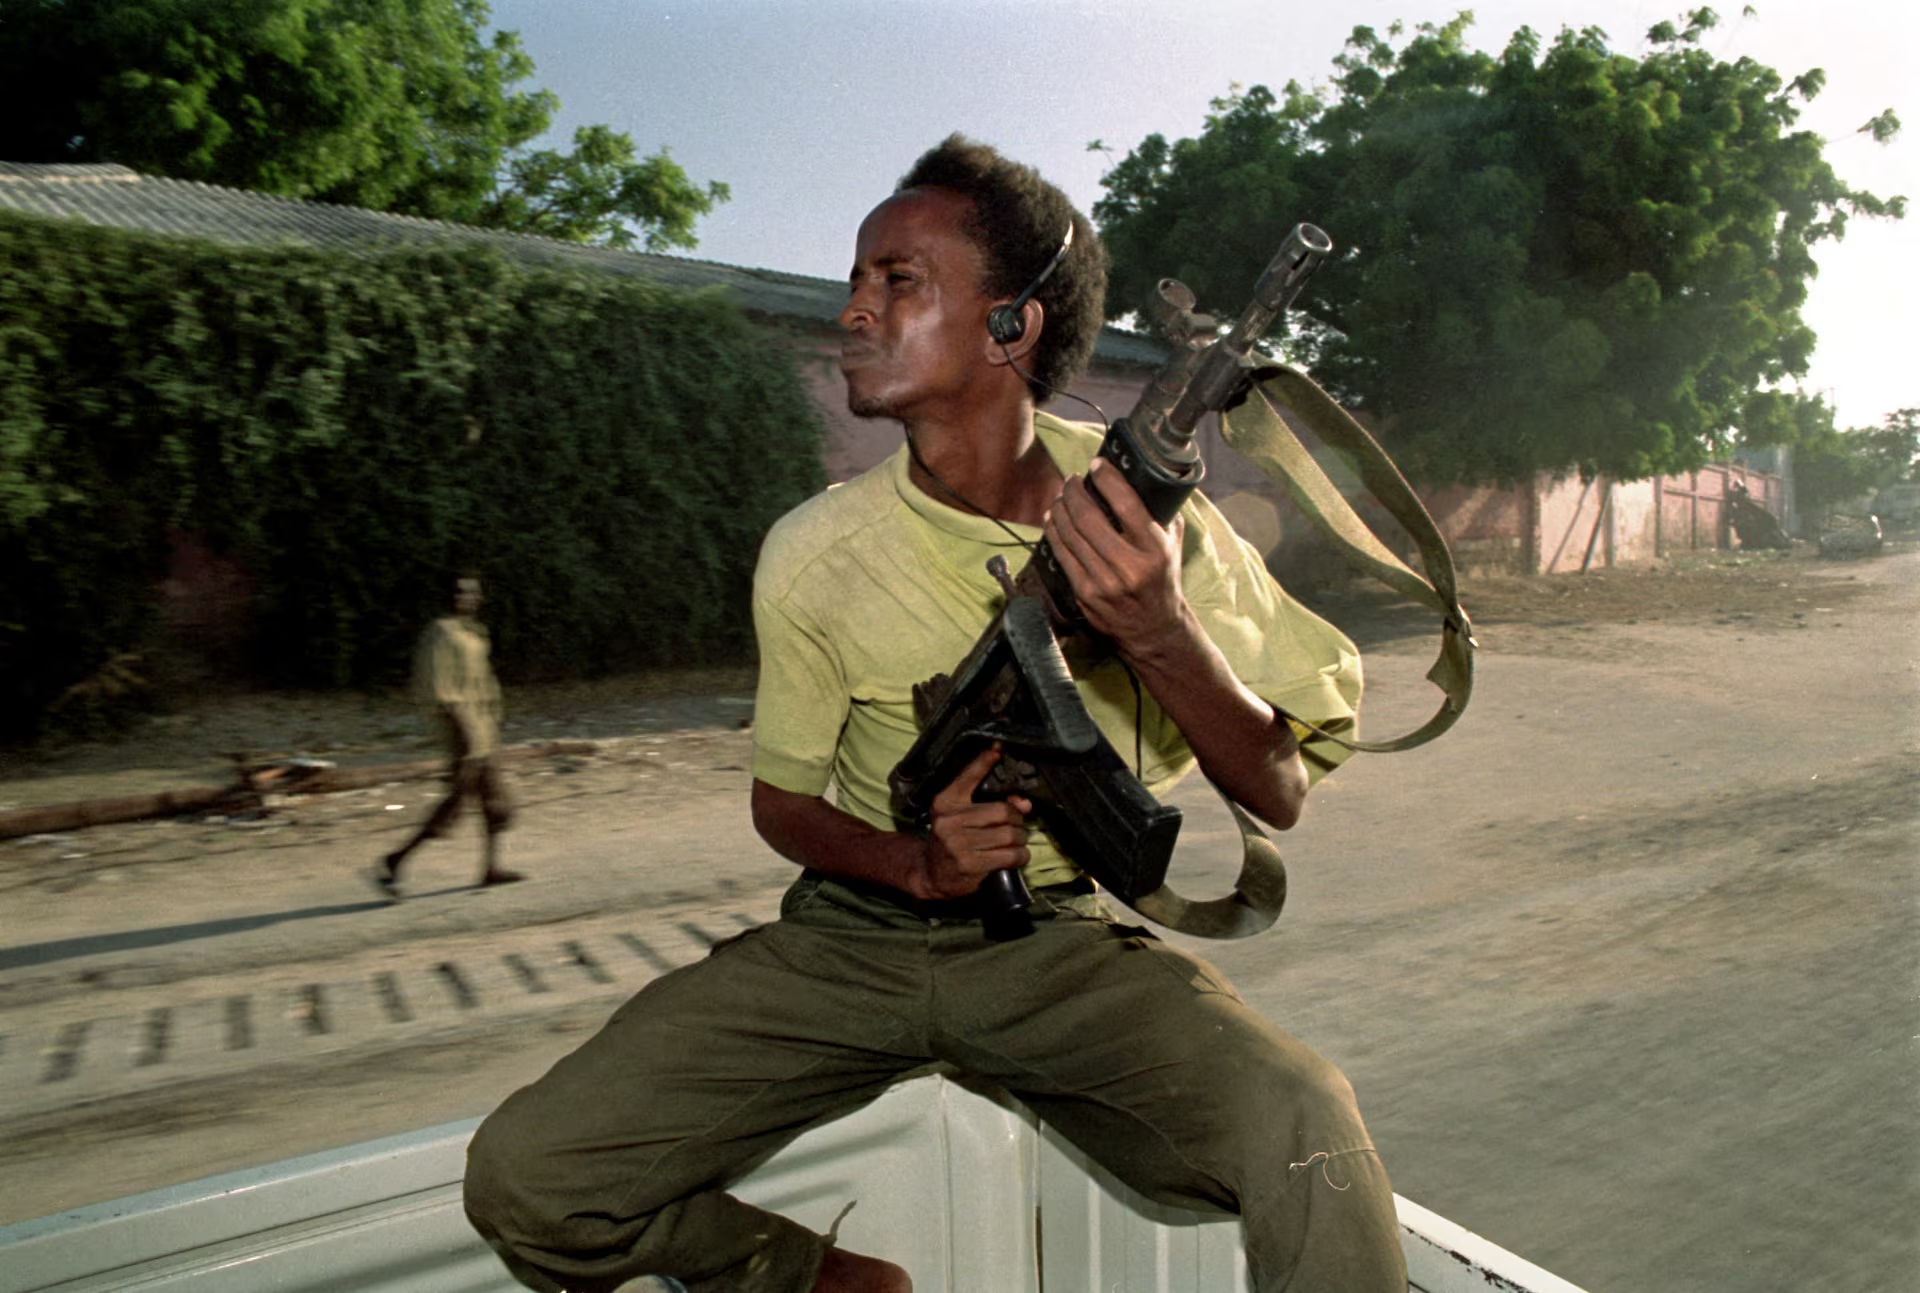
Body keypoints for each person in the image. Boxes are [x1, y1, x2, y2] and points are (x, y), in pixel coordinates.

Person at [463, 136, 1405, 1292]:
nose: (854, 311)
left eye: (897, 281)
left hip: (1050, 946)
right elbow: (783, 805)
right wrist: (916, 865)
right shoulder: (816, 551)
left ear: (1014, 327)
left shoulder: (1149, 525)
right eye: (857, 279)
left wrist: (1160, 628)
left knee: (1307, 1121)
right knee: (528, 1177)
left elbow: (1277, 790)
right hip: (851, 937)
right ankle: (827, 1284)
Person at [374, 574, 523, 895]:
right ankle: (395, 860)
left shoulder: (475, 633)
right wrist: (462, 729)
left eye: (471, 593)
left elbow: (485, 682)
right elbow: (436, 686)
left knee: (496, 801)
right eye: (459, 592)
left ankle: (491, 868)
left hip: (483, 730)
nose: (465, 597)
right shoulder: (440, 633)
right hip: (463, 733)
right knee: (455, 803)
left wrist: (492, 720)